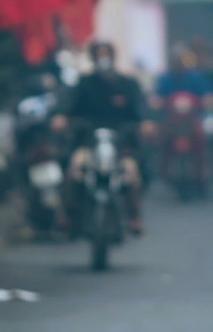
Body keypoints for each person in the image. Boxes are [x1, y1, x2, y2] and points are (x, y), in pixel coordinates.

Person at [56, 41, 149, 234]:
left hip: (120, 146)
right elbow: (68, 105)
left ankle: (134, 216)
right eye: (99, 56)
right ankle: (68, 213)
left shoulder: (128, 85)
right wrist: (61, 117)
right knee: (74, 170)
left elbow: (141, 109)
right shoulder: (84, 84)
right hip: (88, 144)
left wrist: (146, 122)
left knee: (131, 174)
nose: (103, 60)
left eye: (106, 55)